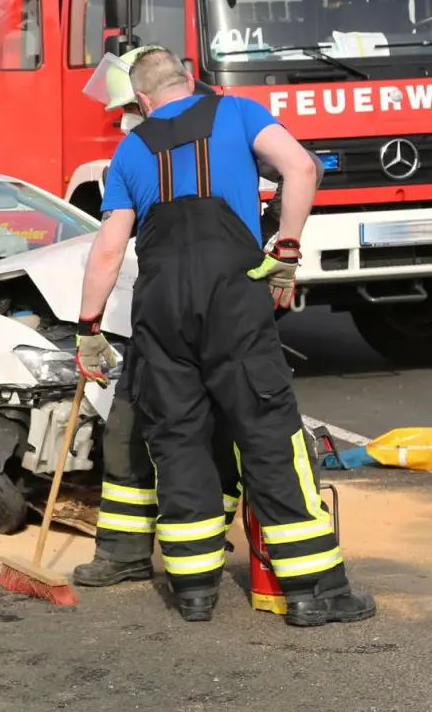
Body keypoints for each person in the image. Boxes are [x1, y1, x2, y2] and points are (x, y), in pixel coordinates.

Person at [73, 47, 374, 626]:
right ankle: (314, 590)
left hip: (161, 310)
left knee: (179, 439)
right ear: (190, 81)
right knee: (268, 432)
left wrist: (88, 328)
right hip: (234, 300)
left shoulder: (131, 148)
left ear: (142, 100)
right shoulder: (237, 112)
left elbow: (109, 249)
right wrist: (286, 248)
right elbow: (302, 168)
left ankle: (193, 591)